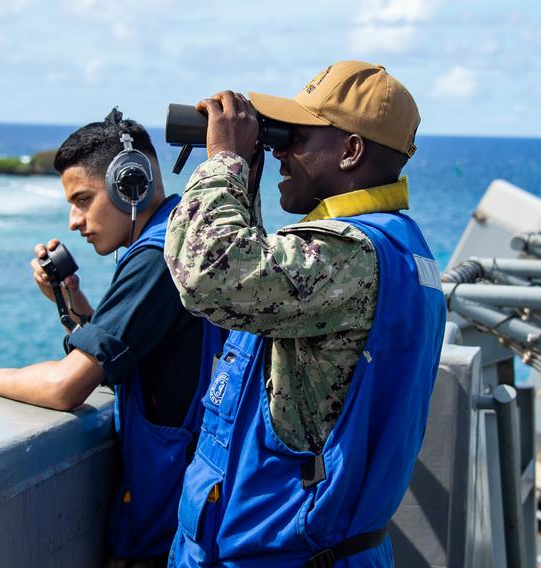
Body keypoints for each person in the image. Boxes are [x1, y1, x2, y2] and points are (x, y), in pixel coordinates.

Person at [163, 61, 447, 566]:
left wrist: (223, 160)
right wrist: (245, 186)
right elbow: (260, 295)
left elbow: (208, 274)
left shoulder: (351, 256)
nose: (277, 151)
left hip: (288, 553)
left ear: (351, 151)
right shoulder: (396, 247)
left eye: (295, 137)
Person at [0, 110, 223, 567]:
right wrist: (73, 302)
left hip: (171, 536)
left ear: (132, 184)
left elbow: (65, 387)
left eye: (83, 199)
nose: (74, 220)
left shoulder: (157, 259)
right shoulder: (183, 236)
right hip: (191, 520)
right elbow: (139, 355)